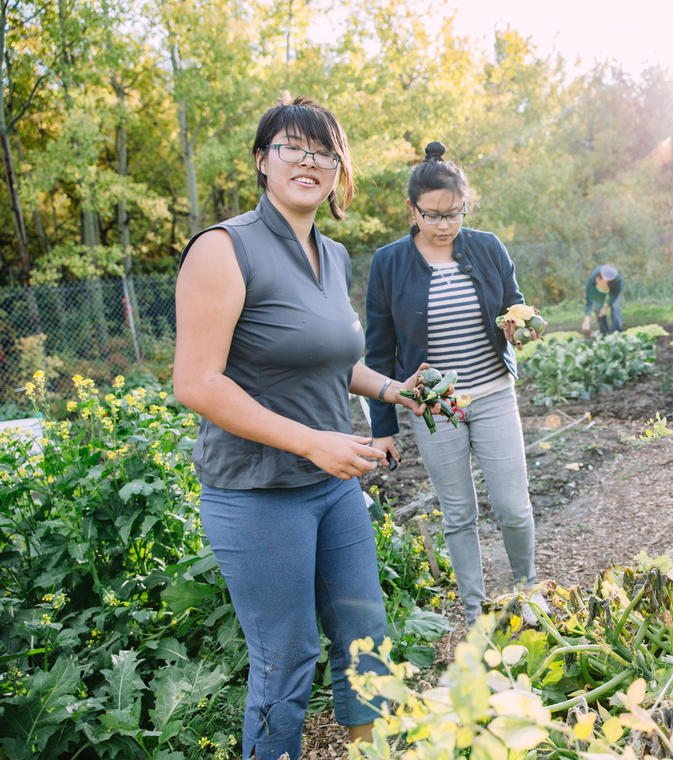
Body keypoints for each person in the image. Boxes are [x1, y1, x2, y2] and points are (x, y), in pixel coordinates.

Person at [173, 94, 436, 759]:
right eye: (292, 146)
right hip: (258, 494)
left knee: (366, 642)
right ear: (262, 161)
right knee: (284, 663)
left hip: (332, 487)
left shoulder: (335, 255)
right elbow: (196, 383)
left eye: (325, 151)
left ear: (339, 171)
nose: (309, 161)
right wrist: (311, 441)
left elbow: (328, 355)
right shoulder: (223, 248)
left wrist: (392, 389)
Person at [365, 141, 542, 626]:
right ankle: (475, 610)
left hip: (492, 394)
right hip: (435, 409)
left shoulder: (487, 247)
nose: (444, 225)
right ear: (412, 210)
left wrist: (518, 325)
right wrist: (385, 428)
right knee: (460, 513)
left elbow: (514, 303)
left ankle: (528, 590)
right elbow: (378, 352)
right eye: (433, 215)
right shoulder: (389, 264)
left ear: (466, 206)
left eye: (454, 213)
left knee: (512, 506)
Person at [581, 264, 623, 335]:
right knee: (597, 308)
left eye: (606, 283)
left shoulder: (617, 280)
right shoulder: (591, 281)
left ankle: (617, 332)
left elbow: (615, 295)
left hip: (614, 288)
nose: (604, 285)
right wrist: (586, 321)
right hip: (598, 287)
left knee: (615, 307)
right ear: (597, 279)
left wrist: (605, 307)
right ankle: (605, 332)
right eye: (602, 283)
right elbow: (589, 302)